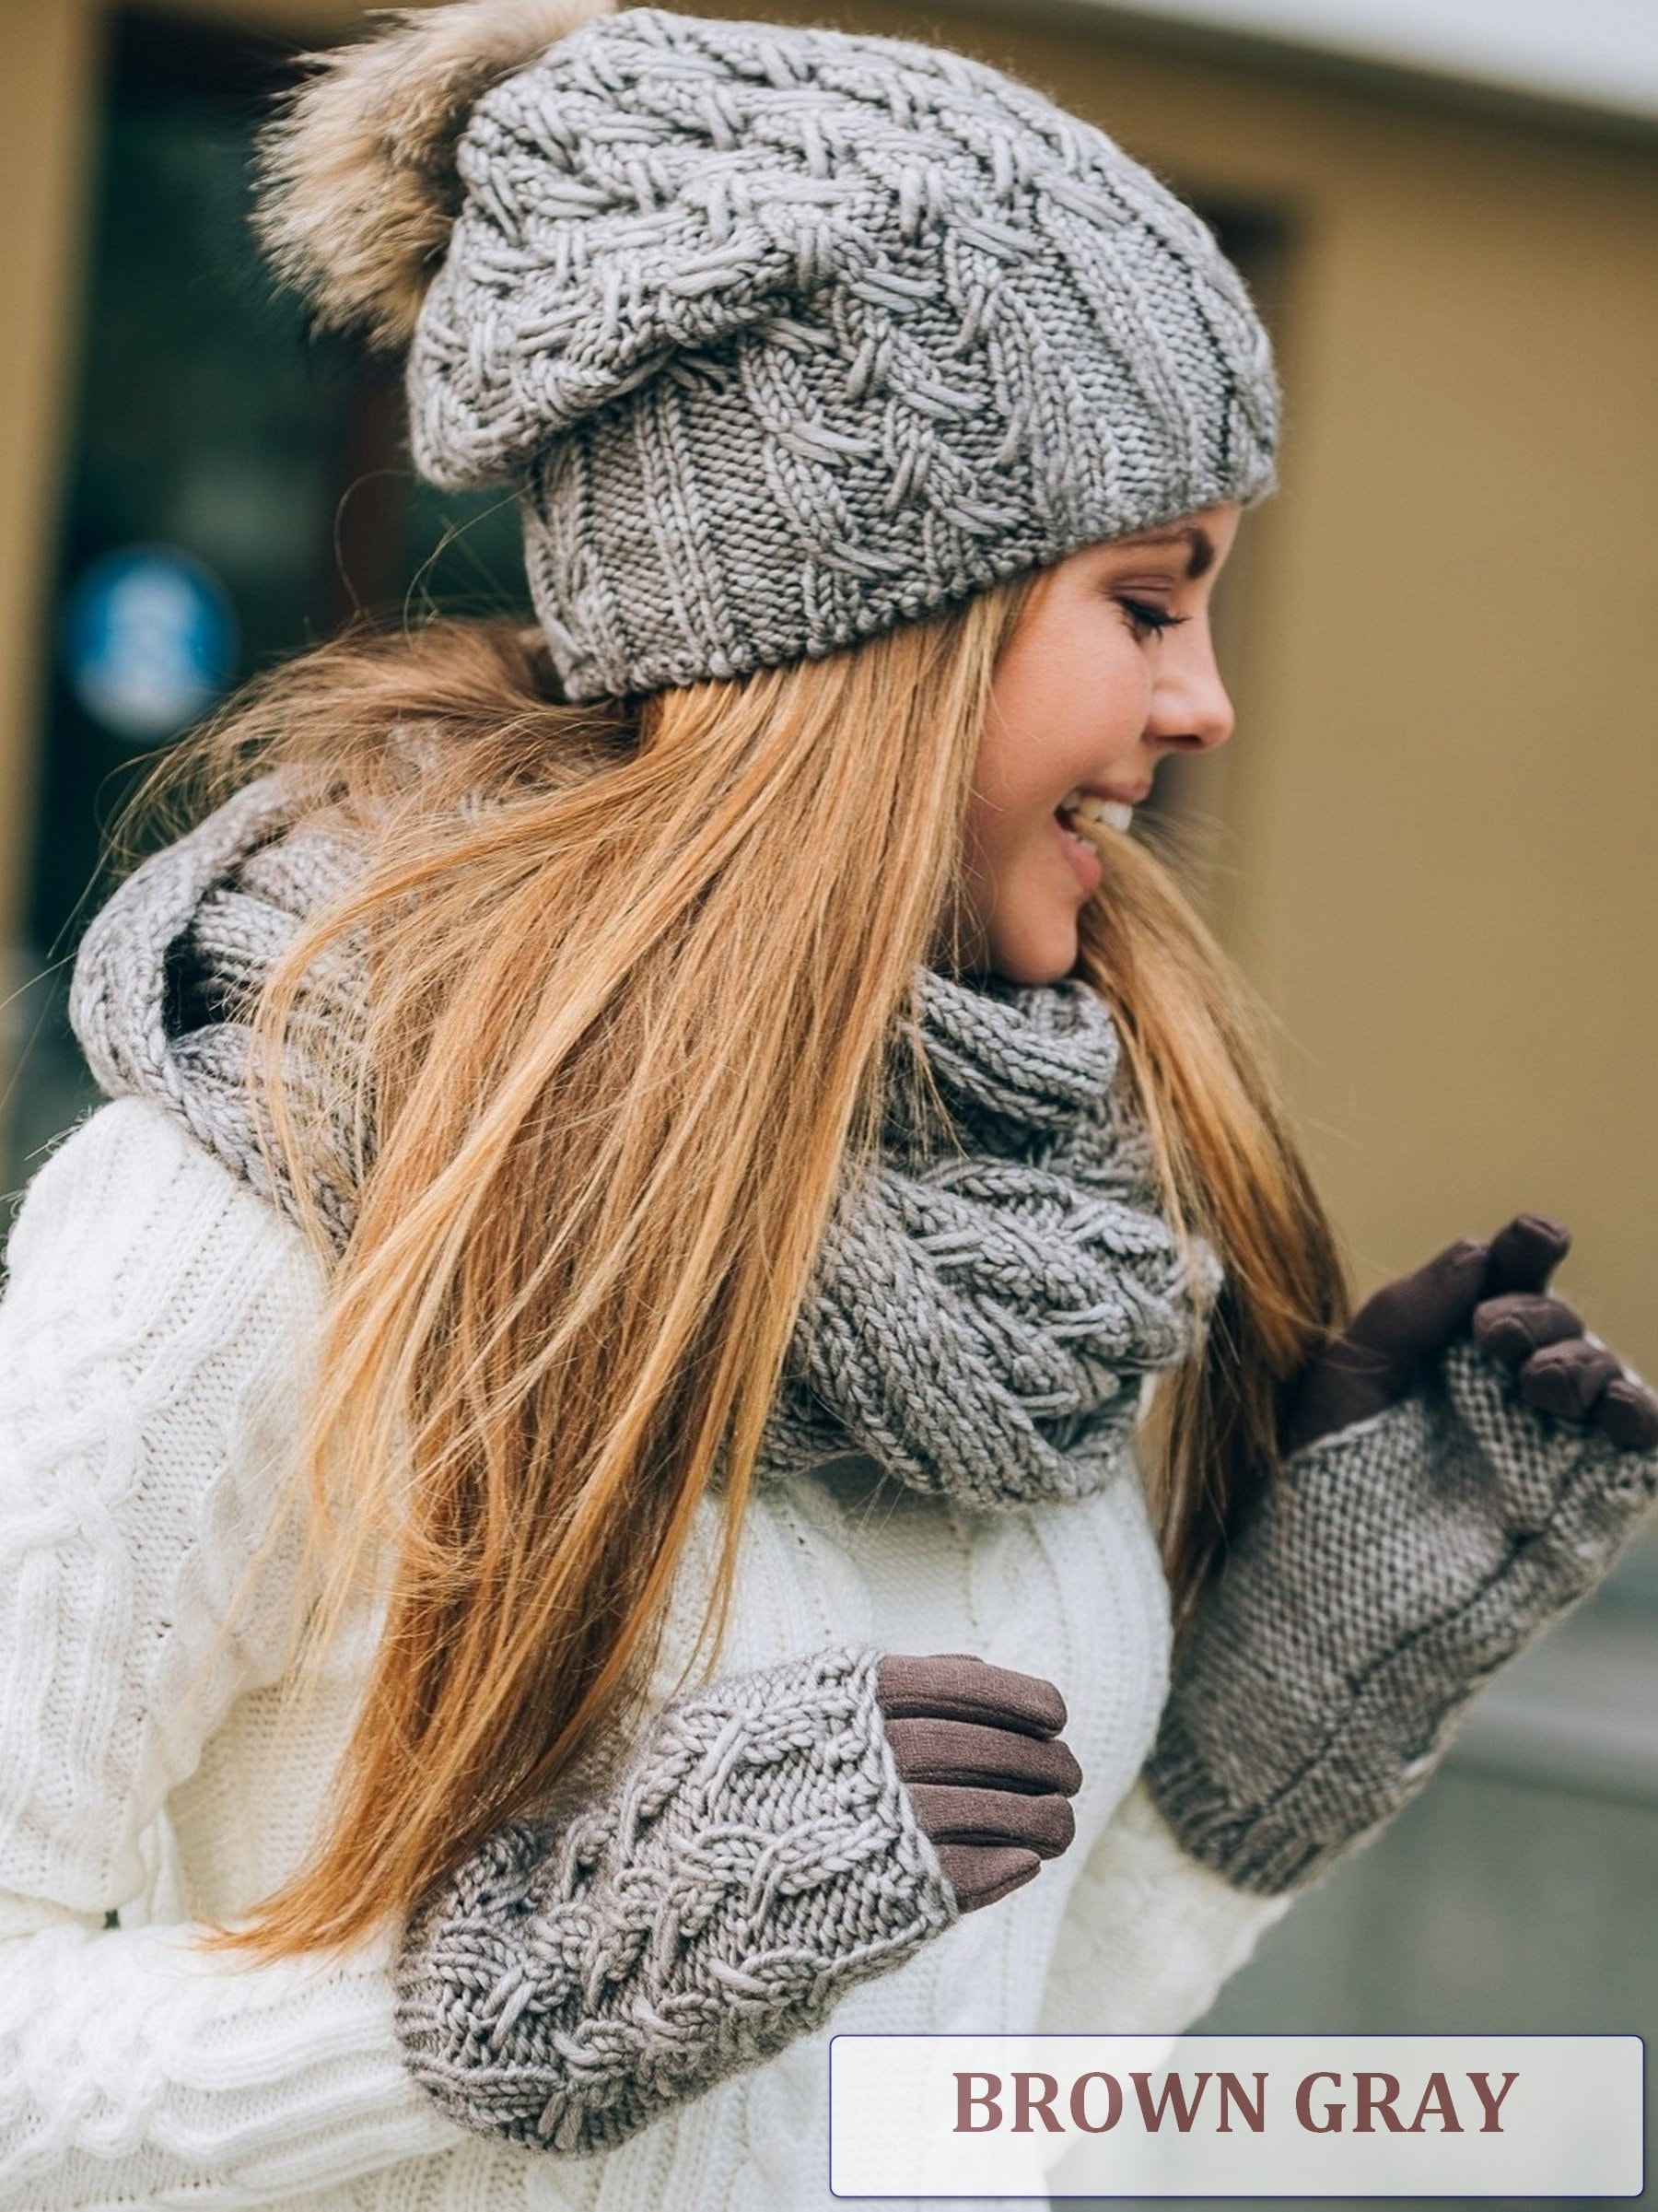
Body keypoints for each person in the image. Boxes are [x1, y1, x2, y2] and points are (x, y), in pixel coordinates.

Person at [1, 0, 1652, 2204]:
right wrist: (485, 2014)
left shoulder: (1047, 1293)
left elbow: (949, 2119)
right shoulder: (261, 1213)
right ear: (882, 624)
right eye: (1144, 601)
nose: (1209, 702)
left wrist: (1234, 1771)